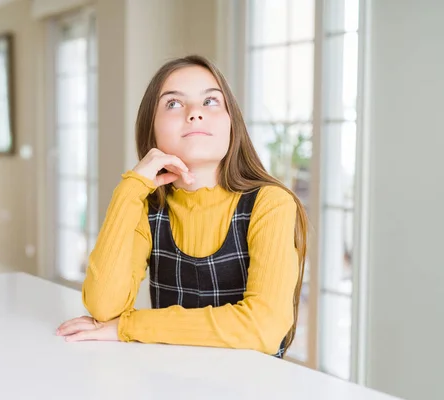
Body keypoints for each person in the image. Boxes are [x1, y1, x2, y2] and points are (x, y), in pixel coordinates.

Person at [56, 55, 308, 357]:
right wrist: (130, 188)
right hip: (170, 377)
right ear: (153, 129)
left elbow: (264, 328)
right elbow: (103, 307)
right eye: (174, 104)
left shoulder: (271, 204)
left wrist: (129, 326)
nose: (194, 114)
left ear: (232, 122)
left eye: (211, 101)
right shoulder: (145, 206)